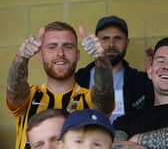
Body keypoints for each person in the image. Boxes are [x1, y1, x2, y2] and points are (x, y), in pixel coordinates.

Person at [6, 21, 114, 149]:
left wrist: (101, 60)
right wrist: (21, 57)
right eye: (52, 47)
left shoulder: (88, 100)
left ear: (78, 55)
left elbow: (104, 94)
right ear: (40, 55)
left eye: (68, 46)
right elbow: (14, 89)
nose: (60, 53)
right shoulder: (29, 96)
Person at [75, 15, 154, 123]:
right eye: (105, 38)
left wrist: (158, 78)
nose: (111, 44)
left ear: (127, 42)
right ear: (96, 42)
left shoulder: (141, 81)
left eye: (118, 38)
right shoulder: (78, 79)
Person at [113, 37, 168, 149]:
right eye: (160, 61)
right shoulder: (126, 121)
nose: (166, 66)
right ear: (149, 71)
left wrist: (136, 140)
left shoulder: (132, 134)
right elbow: (113, 146)